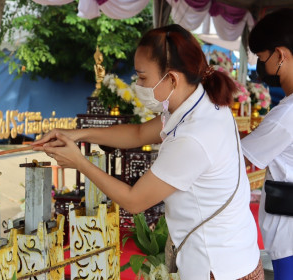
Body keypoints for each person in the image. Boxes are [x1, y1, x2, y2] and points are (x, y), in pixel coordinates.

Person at [33, 24, 262, 279]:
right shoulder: (199, 103)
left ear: (172, 78)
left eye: (143, 77)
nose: (137, 84)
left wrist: (79, 162)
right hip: (235, 256)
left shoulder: (194, 136)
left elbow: (135, 201)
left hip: (218, 268)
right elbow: (139, 134)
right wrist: (78, 134)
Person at [241, 8, 293, 280]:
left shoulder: (286, 115)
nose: (261, 66)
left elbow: (237, 155)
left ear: (281, 55)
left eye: (262, 58)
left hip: (289, 236)